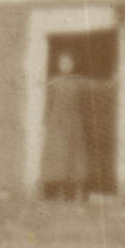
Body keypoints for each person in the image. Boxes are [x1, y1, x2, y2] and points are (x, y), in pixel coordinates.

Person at [39, 52, 91, 201]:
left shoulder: (78, 82)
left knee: (72, 158)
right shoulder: (53, 82)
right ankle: (51, 192)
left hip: (73, 124)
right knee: (55, 156)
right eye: (63, 63)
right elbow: (48, 104)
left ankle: (70, 193)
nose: (65, 66)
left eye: (68, 63)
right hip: (56, 124)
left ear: (73, 65)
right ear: (58, 65)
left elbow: (85, 102)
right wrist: (46, 122)